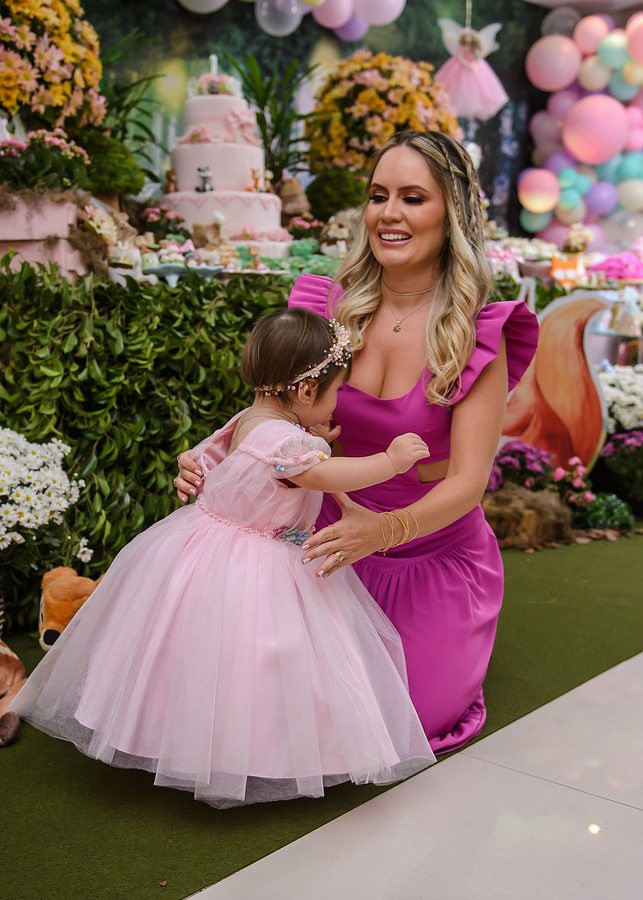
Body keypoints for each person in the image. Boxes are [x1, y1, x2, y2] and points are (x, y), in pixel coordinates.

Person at [177, 130, 539, 754]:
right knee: (253, 703)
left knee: (404, 715)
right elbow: (272, 416)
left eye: (412, 198)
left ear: (451, 214)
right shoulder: (324, 308)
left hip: (429, 552)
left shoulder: (478, 331)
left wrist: (384, 531)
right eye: (378, 196)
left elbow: (468, 482)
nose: (388, 214)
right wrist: (212, 458)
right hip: (314, 542)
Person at [12, 308, 436, 808]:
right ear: (305, 391)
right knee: (257, 659)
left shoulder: (248, 421)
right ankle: (250, 754)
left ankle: (172, 735)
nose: (337, 403)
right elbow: (323, 475)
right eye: (336, 391)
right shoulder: (289, 443)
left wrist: (313, 439)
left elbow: (214, 458)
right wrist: (390, 461)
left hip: (202, 546)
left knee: (188, 654)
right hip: (258, 559)